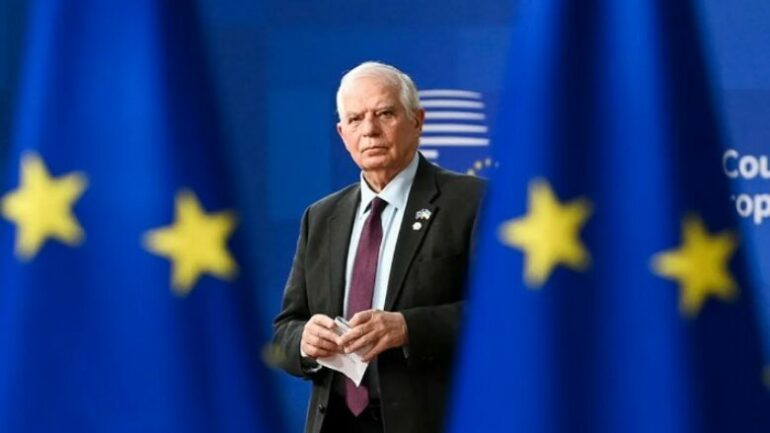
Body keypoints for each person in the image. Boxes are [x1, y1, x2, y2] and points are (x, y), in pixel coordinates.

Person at [272, 61, 484, 433]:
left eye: (384, 114)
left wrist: (408, 327)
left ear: (417, 121)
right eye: (355, 119)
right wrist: (304, 342)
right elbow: (285, 330)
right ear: (343, 134)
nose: (369, 130)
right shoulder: (321, 217)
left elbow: (504, 316)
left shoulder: (473, 201)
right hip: (335, 423)